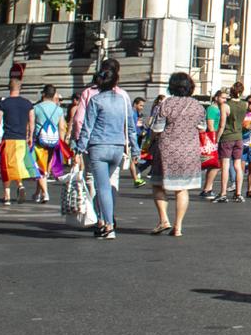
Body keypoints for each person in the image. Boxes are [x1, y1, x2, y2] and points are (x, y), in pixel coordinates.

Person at [80, 58, 136, 239]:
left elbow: (87, 127)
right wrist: (135, 149)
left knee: (101, 186)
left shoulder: (95, 100)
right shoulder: (123, 99)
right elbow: (131, 127)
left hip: (99, 145)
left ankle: (109, 225)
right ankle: (105, 220)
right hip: (118, 147)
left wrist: (79, 147)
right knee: (106, 184)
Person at [148, 72, 206, 237]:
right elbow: (202, 127)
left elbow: (157, 128)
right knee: (182, 189)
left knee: (158, 184)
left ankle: (163, 219)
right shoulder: (198, 106)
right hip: (189, 150)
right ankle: (178, 226)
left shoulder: (166, 104)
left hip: (167, 149)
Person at [0, 77, 37, 207]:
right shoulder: (28, 103)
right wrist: (30, 136)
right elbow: (32, 121)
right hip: (22, 139)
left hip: (8, 138)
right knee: (17, 164)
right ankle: (20, 184)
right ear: (20, 88)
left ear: (9, 88)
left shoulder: (3, 104)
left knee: (6, 166)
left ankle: (7, 195)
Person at [29, 84, 64, 202]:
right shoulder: (58, 109)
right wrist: (62, 142)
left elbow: (31, 125)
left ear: (43, 94)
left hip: (40, 140)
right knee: (45, 166)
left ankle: (45, 193)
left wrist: (29, 137)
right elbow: (62, 127)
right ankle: (37, 193)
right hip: (53, 141)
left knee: (39, 167)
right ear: (54, 95)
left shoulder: (36, 108)